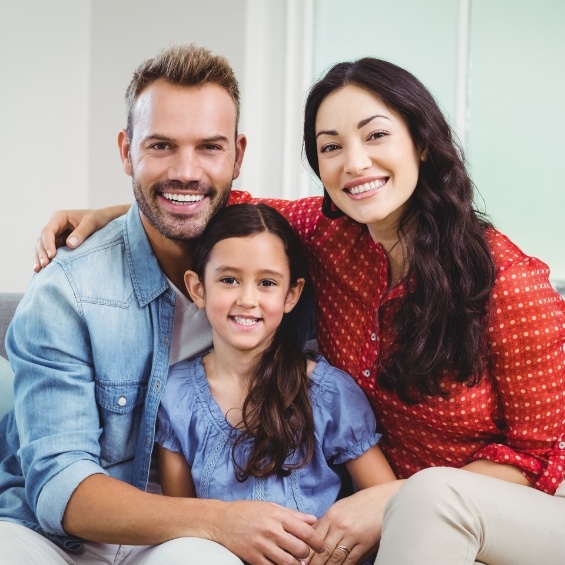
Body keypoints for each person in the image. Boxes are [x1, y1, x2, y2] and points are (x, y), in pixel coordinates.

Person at [38, 56, 565, 564]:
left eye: (376, 135)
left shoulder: (508, 282)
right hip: (396, 513)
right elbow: (221, 208)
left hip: (508, 506)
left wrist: (390, 500)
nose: (355, 162)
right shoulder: (331, 235)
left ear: (422, 142)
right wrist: (119, 214)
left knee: (429, 500)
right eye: (331, 146)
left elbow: (536, 456)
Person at [0, 44, 329, 565]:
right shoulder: (66, 292)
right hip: (49, 538)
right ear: (126, 150)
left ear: (237, 155)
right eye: (161, 146)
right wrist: (221, 519)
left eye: (209, 147)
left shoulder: (277, 273)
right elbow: (58, 486)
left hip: (180, 545)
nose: (186, 170)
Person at [155, 203, 395, 548]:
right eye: (228, 280)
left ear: (291, 294)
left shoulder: (328, 392)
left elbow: (384, 503)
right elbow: (182, 528)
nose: (248, 299)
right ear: (198, 289)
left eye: (267, 283)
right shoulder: (176, 396)